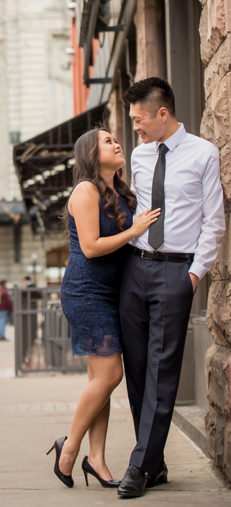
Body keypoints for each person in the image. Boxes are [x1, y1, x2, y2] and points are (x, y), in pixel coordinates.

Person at [117, 78, 225, 498]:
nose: (135, 127)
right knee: (139, 369)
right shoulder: (141, 156)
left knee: (163, 372)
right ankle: (156, 464)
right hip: (136, 269)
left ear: (163, 113)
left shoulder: (203, 153)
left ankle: (139, 465)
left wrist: (194, 275)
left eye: (139, 119)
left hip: (176, 271)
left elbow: (214, 221)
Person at [48, 128, 160, 490]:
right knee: (111, 375)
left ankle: (96, 459)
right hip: (86, 292)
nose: (117, 143)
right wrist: (135, 229)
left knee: (100, 381)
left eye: (116, 139)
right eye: (108, 141)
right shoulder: (85, 191)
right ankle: (70, 447)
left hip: (115, 293)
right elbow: (93, 247)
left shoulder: (121, 193)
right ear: (92, 155)